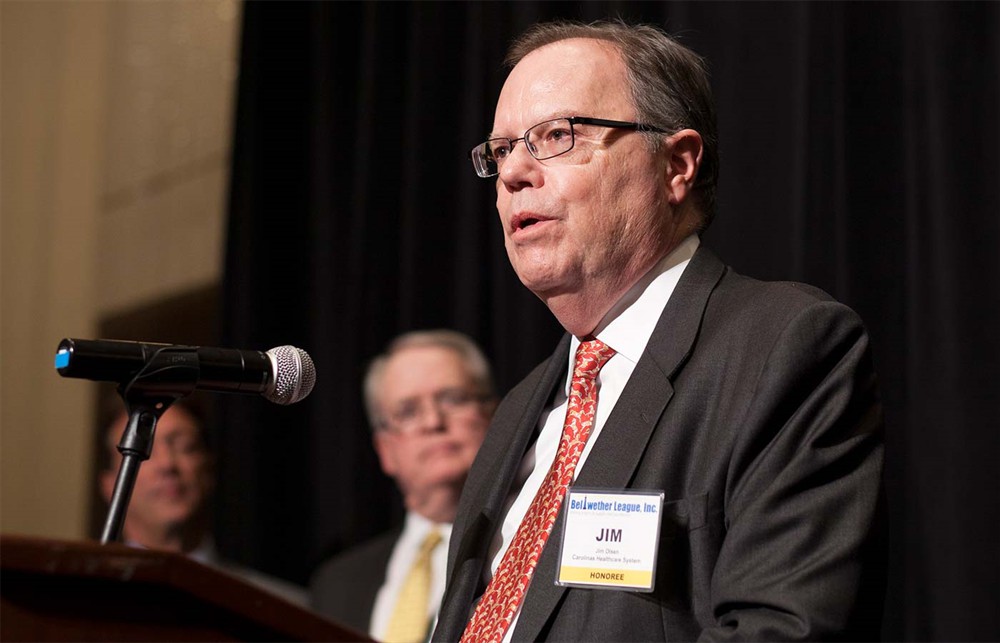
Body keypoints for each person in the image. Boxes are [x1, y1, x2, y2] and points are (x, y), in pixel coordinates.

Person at [432, 19, 886, 642]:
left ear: (677, 165)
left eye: (556, 136)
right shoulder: (518, 413)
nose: (514, 174)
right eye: (503, 149)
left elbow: (782, 628)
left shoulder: (782, 348)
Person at [310, 330, 497, 642]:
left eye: (452, 398)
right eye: (408, 411)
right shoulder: (335, 582)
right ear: (385, 450)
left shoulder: (528, 549)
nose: (433, 421)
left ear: (494, 416)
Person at [99, 395, 308, 606]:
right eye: (145, 450)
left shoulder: (284, 608)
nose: (168, 465)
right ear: (109, 486)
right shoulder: (78, 602)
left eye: (186, 447)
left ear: (210, 469)